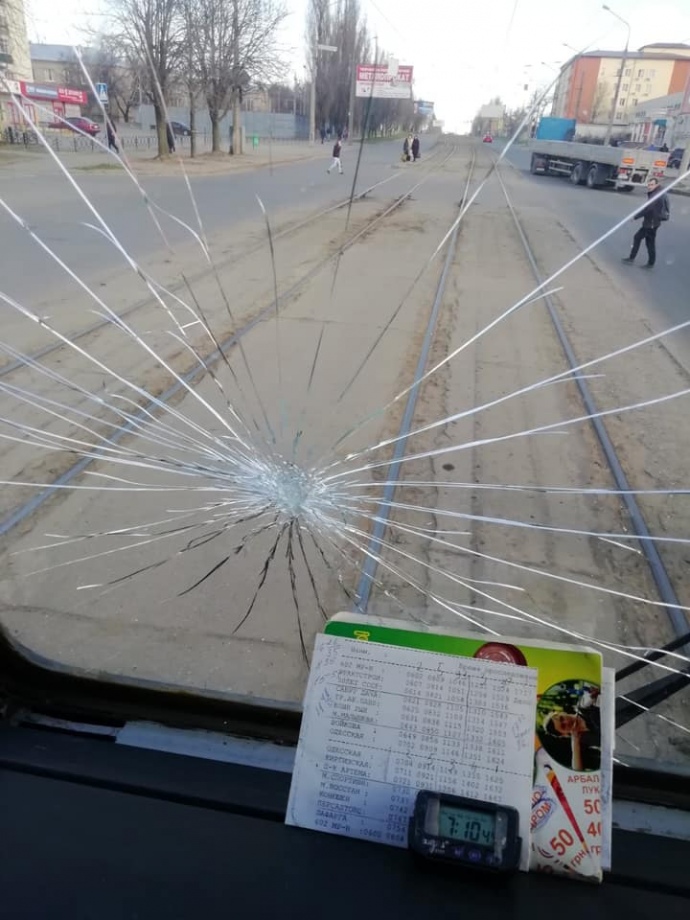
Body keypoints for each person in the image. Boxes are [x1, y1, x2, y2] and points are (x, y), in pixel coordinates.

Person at [622, 177, 665, 269]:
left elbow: (648, 209)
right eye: (648, 185)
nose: (649, 186)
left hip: (651, 224)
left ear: (656, 185)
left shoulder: (655, 195)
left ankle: (633, 258)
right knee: (649, 242)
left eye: (652, 185)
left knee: (639, 238)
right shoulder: (655, 193)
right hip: (652, 223)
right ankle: (650, 262)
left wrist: (635, 217)